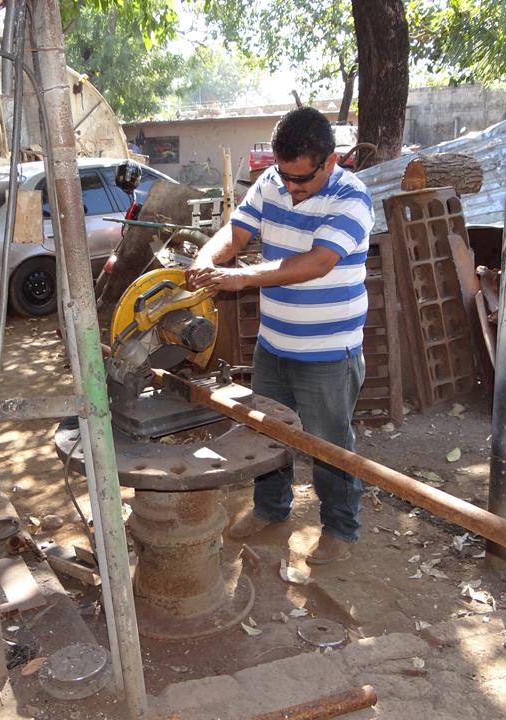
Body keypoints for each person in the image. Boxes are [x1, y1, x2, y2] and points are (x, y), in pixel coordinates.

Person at [186, 107, 374, 565]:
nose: (290, 188)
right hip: (274, 345)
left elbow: (316, 263)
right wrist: (207, 261)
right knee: (265, 435)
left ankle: (340, 528)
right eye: (284, 175)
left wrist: (240, 279)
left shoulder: (353, 198)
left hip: (330, 353)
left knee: (329, 446)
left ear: (330, 162)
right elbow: (237, 230)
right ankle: (271, 508)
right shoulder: (271, 182)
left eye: (301, 180)